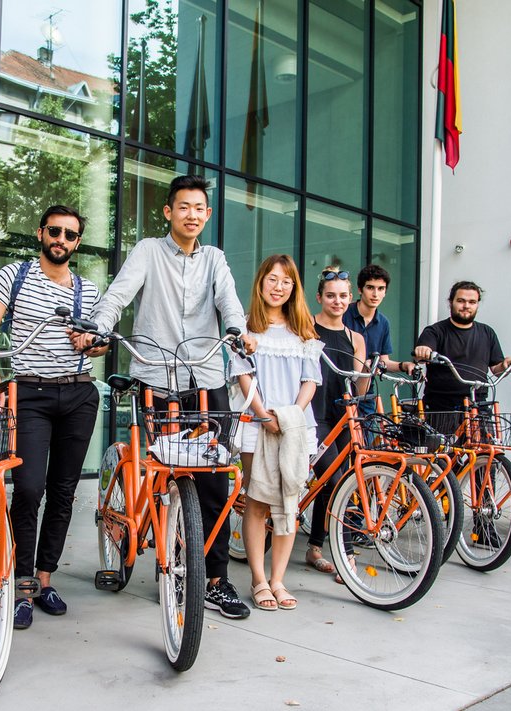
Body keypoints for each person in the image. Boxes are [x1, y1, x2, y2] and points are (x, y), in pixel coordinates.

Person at [82, 174, 253, 620]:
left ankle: (214, 579)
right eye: (183, 207)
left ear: (207, 214)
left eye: (199, 208)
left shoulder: (215, 259)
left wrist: (237, 331)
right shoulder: (148, 251)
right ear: (168, 212)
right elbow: (119, 294)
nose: (192, 215)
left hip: (206, 375)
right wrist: (101, 323)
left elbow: (229, 302)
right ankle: (168, 559)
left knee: (214, 480)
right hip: (156, 375)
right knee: (161, 470)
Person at [0, 205, 104, 631]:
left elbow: (101, 345)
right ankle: (21, 581)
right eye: (54, 231)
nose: (61, 240)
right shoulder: (15, 276)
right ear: (40, 232)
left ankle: (44, 579)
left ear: (77, 242)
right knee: (28, 489)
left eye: (69, 235)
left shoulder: (87, 289)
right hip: (29, 391)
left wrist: (92, 343)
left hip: (79, 392)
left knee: (63, 492)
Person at [230, 255, 321, 611]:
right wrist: (264, 414)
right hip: (257, 422)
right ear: (260, 283)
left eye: (286, 281)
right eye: (273, 279)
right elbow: (242, 376)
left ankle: (278, 579)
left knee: (289, 502)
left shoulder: (304, 331)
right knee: (257, 502)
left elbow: (310, 381)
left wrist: (291, 415)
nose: (278, 287)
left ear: (293, 287)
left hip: (296, 426)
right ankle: (258, 578)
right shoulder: (247, 328)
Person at [305, 269, 368, 580]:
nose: (337, 301)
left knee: (339, 483)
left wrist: (367, 370)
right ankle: (346, 557)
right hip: (315, 418)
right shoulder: (308, 329)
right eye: (330, 295)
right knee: (337, 480)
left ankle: (315, 546)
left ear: (350, 299)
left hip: (344, 418)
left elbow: (360, 388)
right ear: (319, 298)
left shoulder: (356, 338)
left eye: (343, 296)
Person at [413, 281, 511, 412]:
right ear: (451, 302)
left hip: (478, 403)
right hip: (442, 406)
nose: (466, 306)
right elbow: (422, 354)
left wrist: (505, 364)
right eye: (461, 301)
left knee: (490, 432)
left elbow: (496, 369)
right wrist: (423, 350)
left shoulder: (487, 332)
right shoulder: (435, 331)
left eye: (472, 302)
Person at [344, 265, 413, 416]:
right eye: (370, 287)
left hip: (366, 389)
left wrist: (404, 365)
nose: (375, 294)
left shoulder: (383, 322)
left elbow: (384, 361)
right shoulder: (344, 314)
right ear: (360, 289)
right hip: (341, 387)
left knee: (369, 435)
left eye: (381, 289)